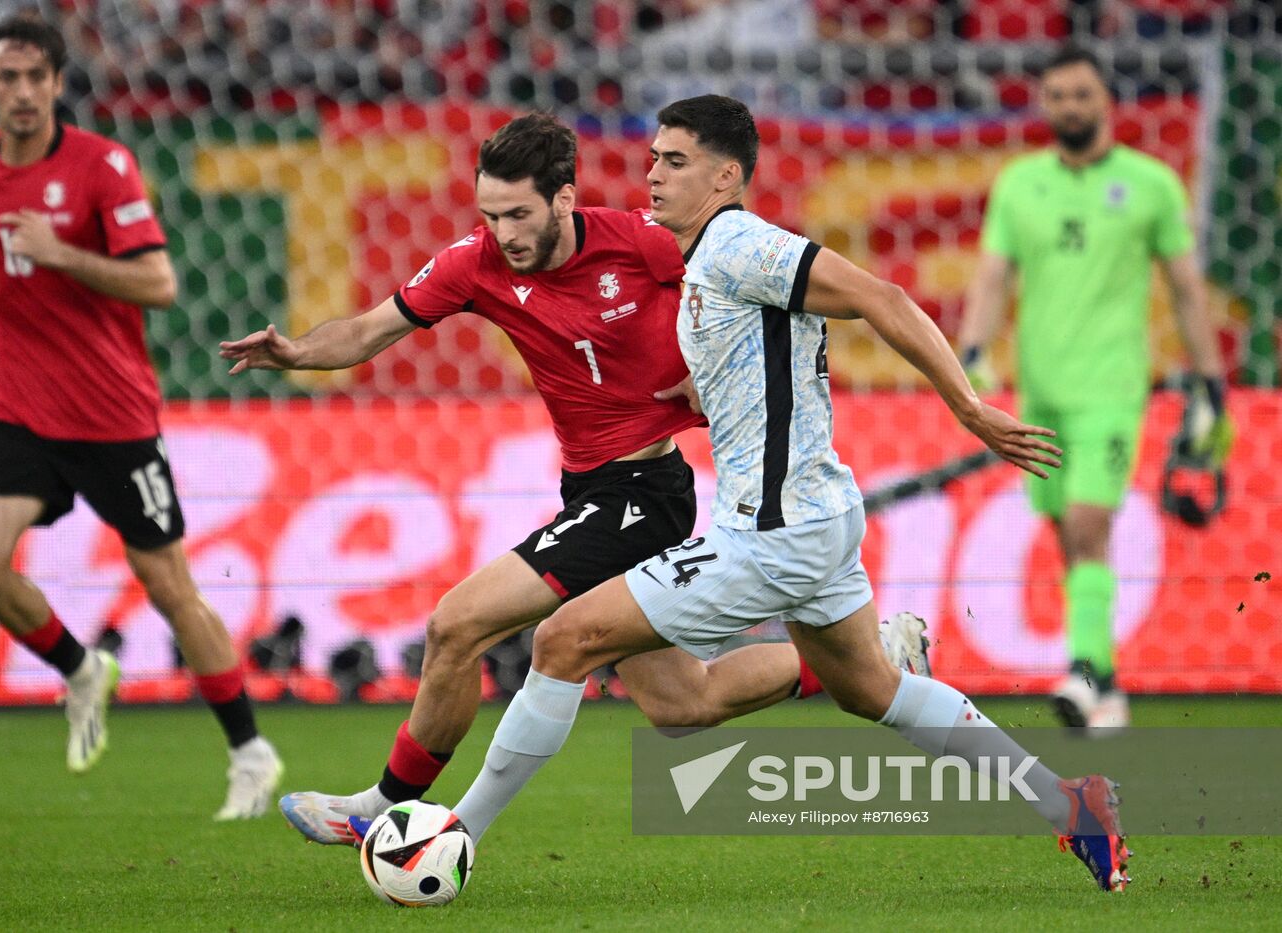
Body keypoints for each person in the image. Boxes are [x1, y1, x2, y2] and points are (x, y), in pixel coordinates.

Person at [448, 95, 1130, 893]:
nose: (653, 172)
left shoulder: (740, 243)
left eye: (675, 160)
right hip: (816, 518)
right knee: (875, 691)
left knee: (563, 641)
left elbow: (887, 298)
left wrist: (970, 408)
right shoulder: (700, 257)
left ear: (725, 175)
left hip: (770, 533)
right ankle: (1069, 804)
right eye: (653, 157)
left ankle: (457, 834)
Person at [219, 113, 931, 845]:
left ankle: (382, 804)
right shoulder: (476, 262)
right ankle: (875, 656)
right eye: (491, 215)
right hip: (587, 488)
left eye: (520, 214)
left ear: (565, 199)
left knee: (456, 625)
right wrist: (298, 352)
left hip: (642, 491)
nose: (505, 233)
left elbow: (750, 291)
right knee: (685, 703)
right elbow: (372, 328)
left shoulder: (647, 243)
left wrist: (708, 372)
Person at [0, 14, 281, 820]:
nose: (23, 93)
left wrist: (62, 254)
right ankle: (80, 666)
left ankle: (249, 750)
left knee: (169, 586)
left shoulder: (104, 167)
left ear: (58, 84)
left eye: (37, 78)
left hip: (111, 414)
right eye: (8, 78)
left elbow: (159, 283)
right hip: (21, 405)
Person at [958, 46, 1228, 731]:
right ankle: (1105, 681)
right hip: (1039, 390)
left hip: (1111, 388)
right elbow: (993, 276)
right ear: (1044, 104)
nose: (1070, 107)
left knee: (1086, 523)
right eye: (1057, 96)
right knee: (1065, 532)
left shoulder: (1151, 184)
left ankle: (1084, 671)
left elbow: (1186, 289)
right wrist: (972, 353)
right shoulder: (1021, 184)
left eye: (1081, 94)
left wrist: (1210, 382)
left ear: (1106, 101)